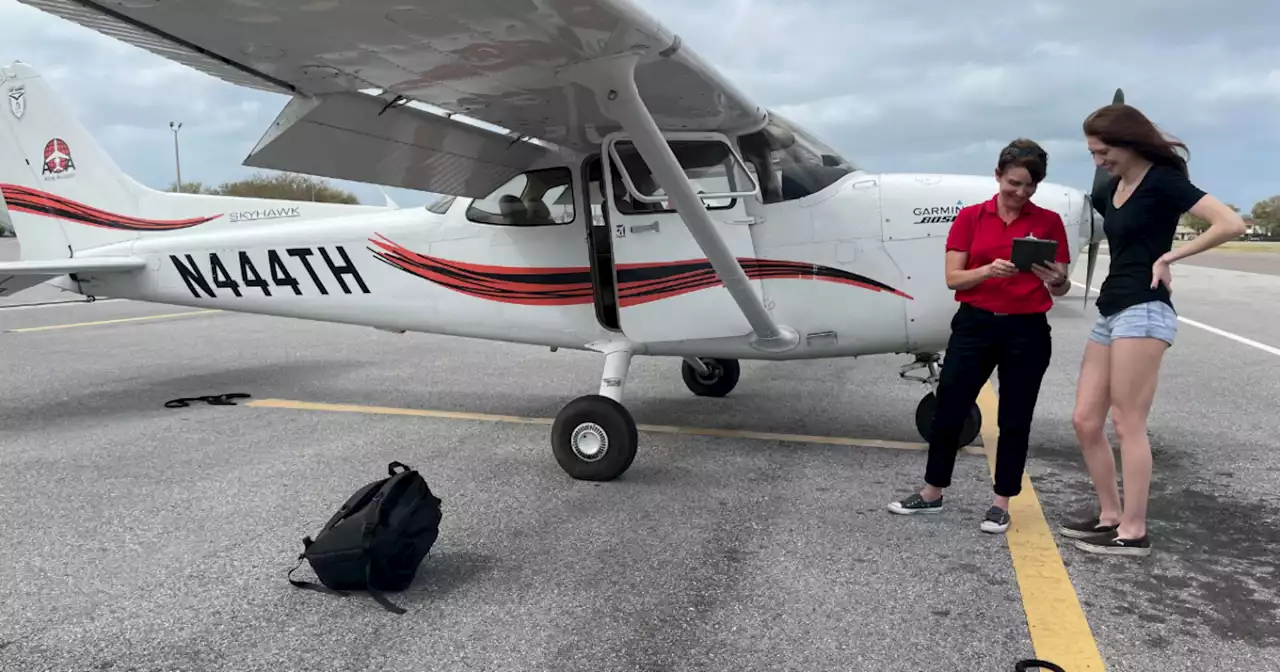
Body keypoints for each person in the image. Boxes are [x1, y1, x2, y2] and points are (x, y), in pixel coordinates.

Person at [1060, 104, 1246, 557]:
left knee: (1128, 422)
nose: (1097, 161)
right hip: (1110, 310)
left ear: (1127, 142)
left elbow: (1231, 223)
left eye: (1103, 151)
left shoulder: (1163, 181)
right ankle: (1110, 516)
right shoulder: (1112, 187)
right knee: (1085, 420)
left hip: (1144, 310)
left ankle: (1135, 529)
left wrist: (1169, 258)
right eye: (1092, 153)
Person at [888, 139, 1071, 534]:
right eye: (1014, 183)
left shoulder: (1048, 221)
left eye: (1030, 187)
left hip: (1027, 329)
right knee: (950, 408)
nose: (1021, 193)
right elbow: (953, 278)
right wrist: (988, 270)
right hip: (975, 324)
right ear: (998, 176)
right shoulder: (971, 217)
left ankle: (1001, 503)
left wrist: (1058, 279)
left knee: (1015, 417)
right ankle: (932, 492)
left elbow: (1061, 287)